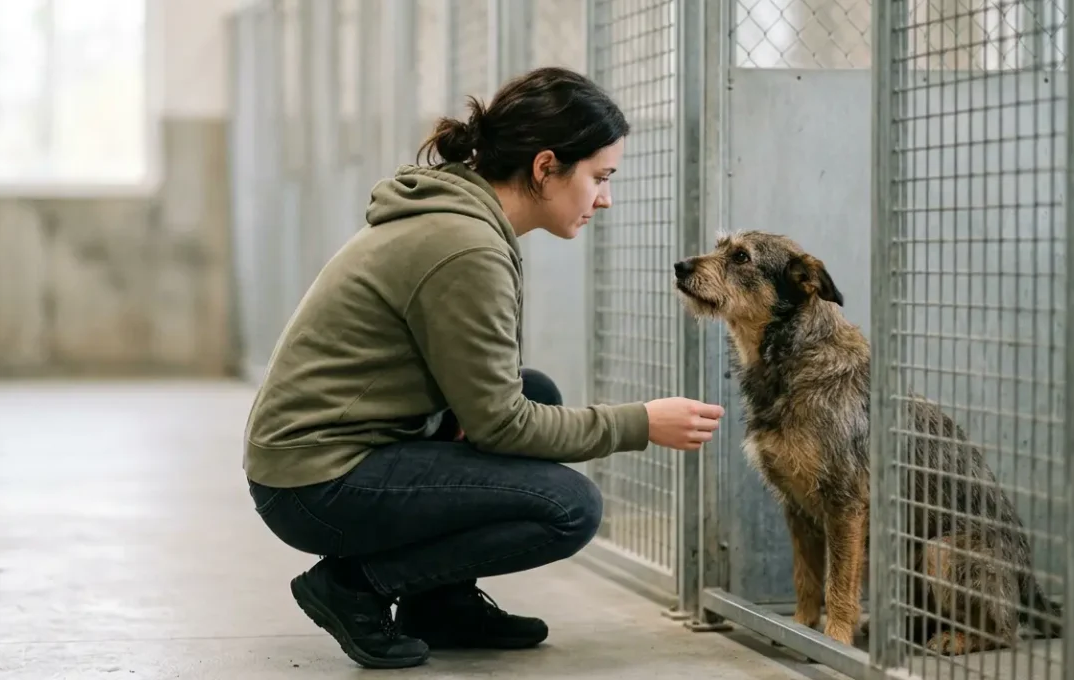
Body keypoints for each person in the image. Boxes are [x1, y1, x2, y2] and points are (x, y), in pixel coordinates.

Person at [242, 66, 726, 669]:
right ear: (546, 166)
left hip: (323, 457)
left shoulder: (462, 222)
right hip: (316, 483)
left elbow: (499, 401)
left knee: (536, 389)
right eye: (599, 178)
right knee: (569, 507)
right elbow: (501, 427)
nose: (605, 198)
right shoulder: (465, 247)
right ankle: (356, 584)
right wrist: (640, 423)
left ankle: (437, 604)